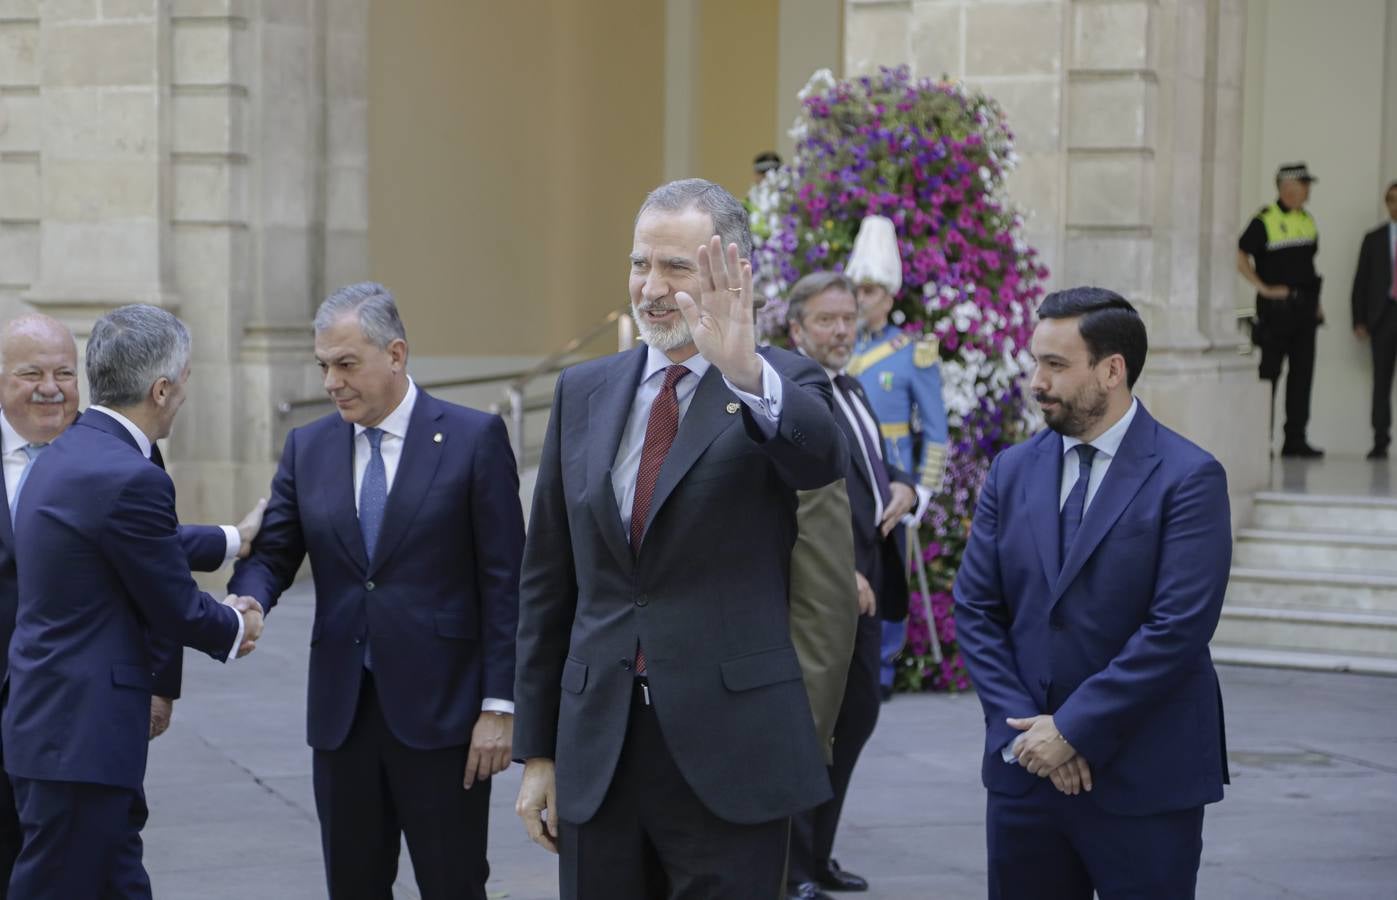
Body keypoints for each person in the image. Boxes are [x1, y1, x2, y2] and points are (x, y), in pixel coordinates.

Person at [513, 178, 847, 900]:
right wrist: (538, 752)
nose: (652, 288)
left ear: (732, 274)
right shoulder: (583, 392)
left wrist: (744, 370)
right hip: (599, 748)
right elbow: (548, 581)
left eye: (676, 268)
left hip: (731, 750)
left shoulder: (780, 384)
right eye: (640, 264)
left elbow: (820, 458)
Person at [228, 283, 523, 900]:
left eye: (346, 364)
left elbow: (506, 581)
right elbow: (276, 549)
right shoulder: (308, 448)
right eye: (323, 366)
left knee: (454, 884)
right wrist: (249, 598)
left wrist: (501, 705)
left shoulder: (473, 440)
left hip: (444, 719)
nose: (332, 381)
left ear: (396, 354)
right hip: (343, 718)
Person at [954, 287, 1232, 899]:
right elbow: (975, 610)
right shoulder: (1012, 470)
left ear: (1112, 370)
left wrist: (1074, 729)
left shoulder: (1189, 477)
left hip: (1144, 780)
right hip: (1025, 777)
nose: (1036, 381)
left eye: (1056, 365)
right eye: (1036, 362)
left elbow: (1177, 629)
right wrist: (1032, 738)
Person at [3, 304, 265, 899]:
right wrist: (237, 623)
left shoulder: (67, 453)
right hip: (79, 736)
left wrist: (229, 538)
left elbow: (133, 546)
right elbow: (172, 602)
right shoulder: (130, 474)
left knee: (118, 881)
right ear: (162, 387)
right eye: (187, 381)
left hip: (59, 727)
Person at [785, 272, 916, 900]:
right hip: (822, 597)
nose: (842, 330)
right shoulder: (788, 397)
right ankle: (795, 870)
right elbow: (787, 502)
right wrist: (839, 572)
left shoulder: (853, 385)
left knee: (855, 720)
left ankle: (819, 854)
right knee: (812, 730)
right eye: (826, 320)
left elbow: (871, 468)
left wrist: (904, 486)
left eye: (847, 317)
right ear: (795, 329)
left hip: (869, 588)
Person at [844, 214, 948, 700]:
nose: (860, 300)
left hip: (894, 477)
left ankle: (884, 667)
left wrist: (924, 488)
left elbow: (936, 428)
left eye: (868, 291)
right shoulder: (841, 348)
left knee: (890, 570)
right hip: (848, 473)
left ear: (887, 295)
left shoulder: (913, 352)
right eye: (856, 290)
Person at [1237, 162, 1325, 457]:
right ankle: (1261, 441)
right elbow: (1239, 254)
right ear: (1288, 187)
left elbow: (1308, 268)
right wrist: (1263, 287)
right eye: (1304, 184)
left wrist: (1318, 305)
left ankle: (1295, 440)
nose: (1308, 190)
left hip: (1305, 310)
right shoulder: (1265, 219)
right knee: (1270, 375)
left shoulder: (1307, 220)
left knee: (1302, 375)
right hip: (1276, 312)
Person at [1351, 180, 1397, 459]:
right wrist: (1359, 319)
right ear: (1386, 203)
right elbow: (1361, 282)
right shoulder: (1374, 238)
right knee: (1381, 380)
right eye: (1392, 199)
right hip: (1383, 315)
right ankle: (1380, 439)